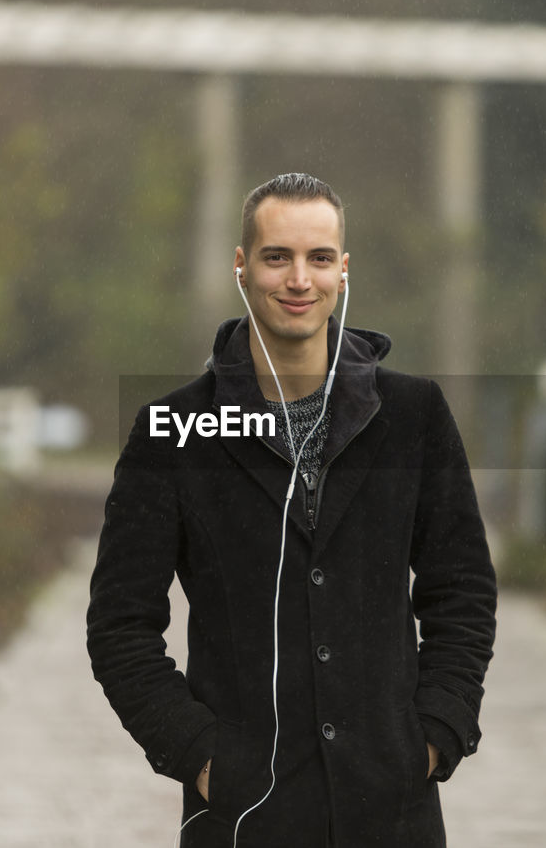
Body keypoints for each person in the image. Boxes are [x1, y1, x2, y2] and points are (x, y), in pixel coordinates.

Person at [87, 172, 497, 848]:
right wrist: (202, 757)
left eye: (319, 258)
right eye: (277, 257)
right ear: (242, 268)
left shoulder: (413, 416)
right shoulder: (174, 428)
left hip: (393, 810)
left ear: (343, 270)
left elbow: (463, 589)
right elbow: (118, 625)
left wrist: (436, 732)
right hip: (243, 816)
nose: (298, 279)